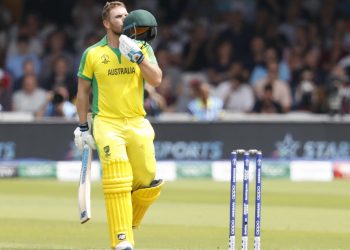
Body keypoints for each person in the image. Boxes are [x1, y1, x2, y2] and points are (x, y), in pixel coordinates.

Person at [73, 2, 163, 250]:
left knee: (149, 180)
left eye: (126, 15)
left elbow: (156, 79)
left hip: (137, 122)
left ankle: (126, 220)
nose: (124, 19)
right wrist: (82, 126)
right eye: (118, 16)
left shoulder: (143, 46)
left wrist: (139, 57)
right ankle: (122, 240)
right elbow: (82, 93)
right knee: (118, 178)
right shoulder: (92, 53)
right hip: (107, 123)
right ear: (106, 22)